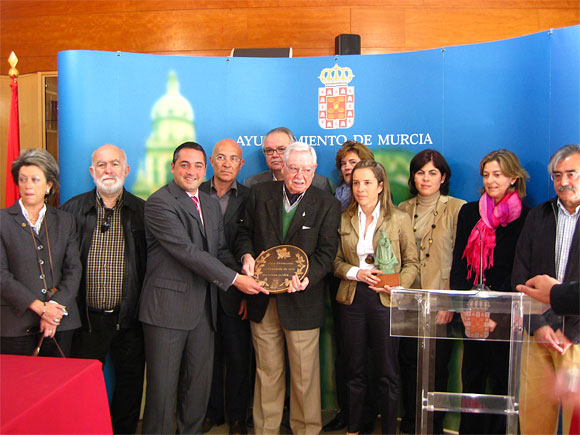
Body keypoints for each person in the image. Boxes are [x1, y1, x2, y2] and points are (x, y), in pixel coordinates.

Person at [138, 142, 267, 434]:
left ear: (205, 169)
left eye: (198, 166)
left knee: (197, 390)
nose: (191, 171)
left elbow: (219, 249)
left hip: (203, 311)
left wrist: (245, 265)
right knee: (162, 394)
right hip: (166, 312)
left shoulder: (208, 203)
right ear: (173, 168)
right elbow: (188, 252)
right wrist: (236, 281)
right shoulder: (160, 202)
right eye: (184, 164)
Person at [236, 141, 341, 434]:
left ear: (314, 171)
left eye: (306, 169)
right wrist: (246, 256)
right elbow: (243, 233)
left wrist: (309, 277)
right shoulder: (258, 194)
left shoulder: (327, 203)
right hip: (263, 298)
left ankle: (307, 429)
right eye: (293, 168)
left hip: (303, 300)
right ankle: (266, 429)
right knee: (267, 371)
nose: (299, 175)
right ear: (282, 166)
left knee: (305, 375)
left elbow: (326, 253)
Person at [61, 144, 146, 434]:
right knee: (82, 388)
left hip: (130, 319)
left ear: (126, 170)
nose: (108, 170)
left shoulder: (143, 212)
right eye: (101, 165)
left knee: (129, 388)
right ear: (91, 171)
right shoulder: (72, 209)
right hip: (86, 321)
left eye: (114, 164)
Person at [334, 159, 419, 435]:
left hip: (385, 300)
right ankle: (355, 428)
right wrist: (355, 272)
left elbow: (412, 264)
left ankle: (389, 431)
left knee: (387, 371)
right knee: (355, 369)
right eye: (356, 183)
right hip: (353, 299)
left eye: (368, 183)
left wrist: (396, 285)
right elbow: (334, 262)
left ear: (381, 186)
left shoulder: (399, 219)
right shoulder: (343, 218)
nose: (361, 188)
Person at [450, 149, 530, 434]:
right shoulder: (470, 212)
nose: (490, 180)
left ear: (513, 178)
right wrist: (465, 307)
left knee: (501, 381)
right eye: (486, 175)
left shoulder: (527, 216)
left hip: (506, 313)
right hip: (474, 311)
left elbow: (522, 269)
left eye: (497, 174)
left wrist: (498, 310)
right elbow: (459, 262)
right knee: (471, 377)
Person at [512, 144, 580, 435]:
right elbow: (520, 274)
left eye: (572, 174)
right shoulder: (538, 216)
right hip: (537, 334)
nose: (563, 181)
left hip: (575, 340)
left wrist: (572, 333)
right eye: (557, 175)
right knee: (534, 417)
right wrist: (537, 325)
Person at [398, 149, 466, 434]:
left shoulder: (458, 208)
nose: (426, 178)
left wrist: (450, 301)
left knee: (437, 367)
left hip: (441, 300)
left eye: (432, 173)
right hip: (407, 301)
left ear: (443, 177)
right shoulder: (401, 208)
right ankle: (412, 422)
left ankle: (434, 426)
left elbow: (461, 259)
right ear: (413, 177)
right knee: (408, 363)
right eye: (420, 172)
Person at [1, 149, 81, 357]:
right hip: (15, 325)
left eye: (35, 179)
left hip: (60, 324)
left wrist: (53, 309)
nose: (28, 185)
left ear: (49, 185)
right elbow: (2, 276)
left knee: (59, 385)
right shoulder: (2, 221)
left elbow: (73, 268)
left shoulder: (65, 220)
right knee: (19, 387)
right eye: (23, 179)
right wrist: (40, 308)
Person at [199, 139, 251, 435]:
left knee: (238, 357)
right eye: (221, 157)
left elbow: (249, 243)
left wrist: (243, 290)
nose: (227, 163)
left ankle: (236, 416)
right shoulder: (193, 193)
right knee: (206, 356)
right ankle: (211, 411)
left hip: (235, 289)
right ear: (212, 161)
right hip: (200, 288)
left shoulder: (250, 196)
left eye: (233, 159)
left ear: (241, 164)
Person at [324, 140, 376, 433]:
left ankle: (367, 415)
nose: (347, 168)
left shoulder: (377, 205)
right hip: (340, 281)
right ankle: (348, 412)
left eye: (353, 162)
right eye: (343, 163)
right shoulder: (335, 199)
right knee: (346, 352)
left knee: (368, 354)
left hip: (371, 286)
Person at [244, 126, 332, 192]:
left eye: (281, 149)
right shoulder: (252, 183)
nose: (275, 155)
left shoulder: (320, 183)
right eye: (269, 150)